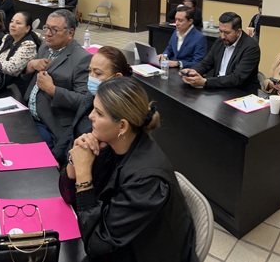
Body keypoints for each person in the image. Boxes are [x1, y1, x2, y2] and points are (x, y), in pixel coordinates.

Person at [59, 77, 198, 261]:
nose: (90, 116)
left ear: (122, 126)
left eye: (99, 113)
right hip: (122, 243)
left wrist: (84, 174)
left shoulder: (147, 180)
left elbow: (95, 243)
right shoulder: (113, 144)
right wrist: (75, 159)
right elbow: (70, 198)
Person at [23, 9, 92, 148]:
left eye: (54, 30)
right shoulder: (45, 46)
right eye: (46, 27)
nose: (47, 34)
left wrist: (52, 90)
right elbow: (25, 80)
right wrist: (30, 66)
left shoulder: (82, 59)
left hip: (50, 124)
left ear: (70, 33)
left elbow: (84, 101)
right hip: (26, 114)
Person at [51, 46, 130, 167]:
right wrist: (54, 157)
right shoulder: (92, 94)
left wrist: (70, 164)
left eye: (97, 73)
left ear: (117, 78)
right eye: (90, 71)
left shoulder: (118, 112)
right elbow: (72, 128)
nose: (91, 77)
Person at [180, 12, 260, 93]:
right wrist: (192, 72)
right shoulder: (221, 41)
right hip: (218, 88)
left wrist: (205, 82)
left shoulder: (251, 47)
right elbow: (206, 63)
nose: (222, 36)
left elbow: (236, 78)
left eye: (227, 32)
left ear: (238, 32)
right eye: (220, 31)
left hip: (240, 92)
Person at [0, 11, 43, 84]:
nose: (12, 25)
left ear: (27, 28)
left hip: (13, 85)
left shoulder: (29, 45)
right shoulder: (7, 38)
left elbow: (12, 68)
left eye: (18, 23)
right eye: (12, 22)